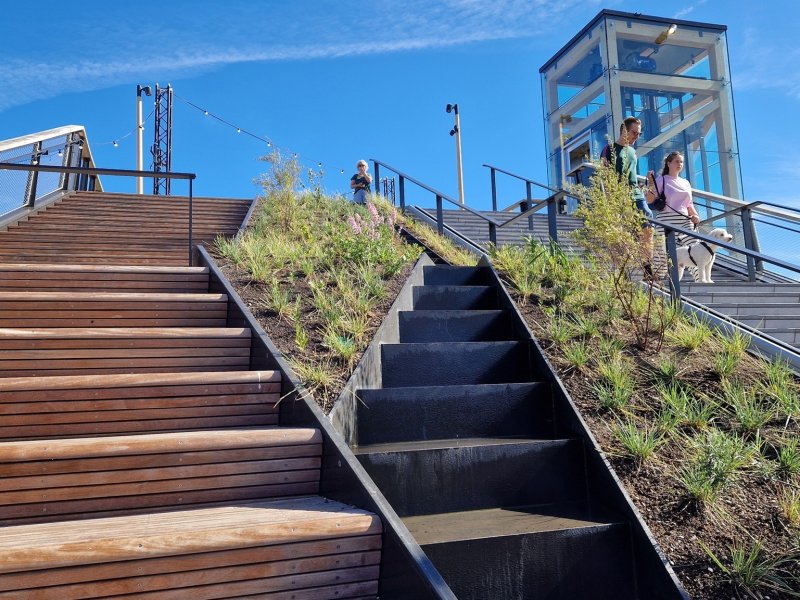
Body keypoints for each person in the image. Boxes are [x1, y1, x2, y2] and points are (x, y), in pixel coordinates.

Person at [604, 117, 654, 277]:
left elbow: (631, 175)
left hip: (635, 192)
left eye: (639, 134)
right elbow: (604, 176)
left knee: (648, 221)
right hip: (618, 194)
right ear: (624, 130)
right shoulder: (609, 149)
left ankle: (647, 266)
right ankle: (620, 272)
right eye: (634, 133)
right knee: (619, 232)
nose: (636, 137)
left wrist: (646, 184)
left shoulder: (633, 152)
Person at [646, 151, 701, 277]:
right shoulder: (661, 180)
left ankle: (701, 279)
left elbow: (689, 203)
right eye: (676, 161)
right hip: (665, 219)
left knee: (695, 249)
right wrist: (650, 183)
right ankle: (658, 281)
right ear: (668, 163)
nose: (679, 164)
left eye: (681, 162)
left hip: (684, 219)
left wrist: (695, 215)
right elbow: (649, 200)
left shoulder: (686, 182)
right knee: (661, 252)